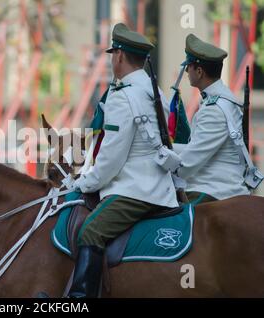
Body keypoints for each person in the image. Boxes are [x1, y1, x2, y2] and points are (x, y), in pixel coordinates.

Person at [70, 23, 179, 298]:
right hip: (163, 186)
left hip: (135, 190)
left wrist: (84, 183)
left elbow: (110, 160)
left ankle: (79, 299)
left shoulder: (122, 97)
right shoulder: (155, 92)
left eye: (112, 54)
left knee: (90, 232)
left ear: (118, 56)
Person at [173, 34, 250, 204]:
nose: (186, 71)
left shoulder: (214, 109)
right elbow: (196, 147)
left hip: (213, 189)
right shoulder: (220, 100)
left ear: (199, 71)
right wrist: (163, 148)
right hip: (215, 184)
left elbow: (188, 164)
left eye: (189, 67)